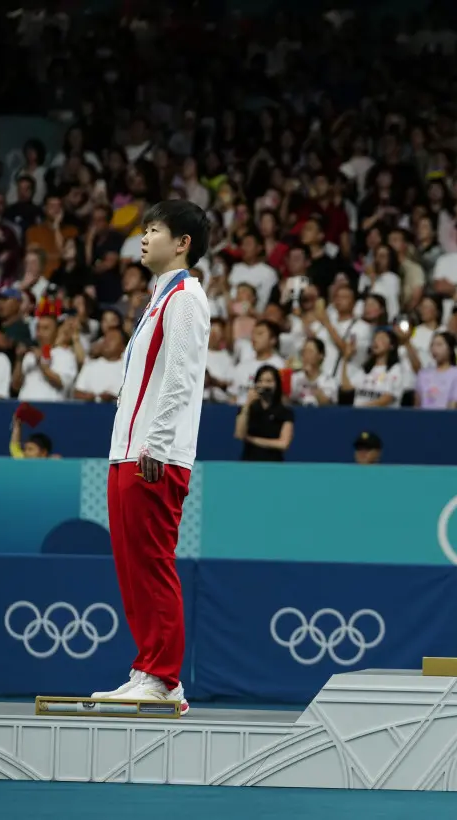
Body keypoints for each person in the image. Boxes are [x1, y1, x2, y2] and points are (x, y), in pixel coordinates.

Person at [91, 201, 211, 712]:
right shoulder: (155, 300)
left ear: (182, 242)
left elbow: (181, 376)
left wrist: (157, 444)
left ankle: (163, 678)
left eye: (154, 230)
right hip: (128, 453)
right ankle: (147, 670)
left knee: (153, 565)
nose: (143, 238)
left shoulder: (185, 297)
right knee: (132, 568)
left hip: (153, 456)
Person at [235, 363, 295, 461]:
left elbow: (283, 444)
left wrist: (252, 439)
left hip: (273, 464)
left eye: (269, 381)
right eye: (260, 381)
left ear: (276, 384)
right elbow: (239, 434)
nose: (264, 385)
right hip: (249, 462)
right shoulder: (247, 408)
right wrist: (247, 404)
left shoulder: (285, 412)